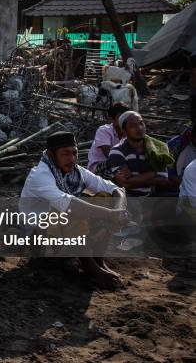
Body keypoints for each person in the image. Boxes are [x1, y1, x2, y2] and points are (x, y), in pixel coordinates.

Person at [20, 131, 129, 289]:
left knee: (105, 197)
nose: (71, 159)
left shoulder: (78, 172)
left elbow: (115, 189)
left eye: (74, 153)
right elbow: (69, 205)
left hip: (63, 231)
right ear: (51, 154)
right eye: (65, 154)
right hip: (38, 239)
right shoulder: (40, 175)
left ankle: (98, 261)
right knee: (72, 208)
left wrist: (118, 210)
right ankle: (89, 266)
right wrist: (110, 215)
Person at [107, 111, 172, 196]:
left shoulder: (157, 149)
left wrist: (133, 180)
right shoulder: (117, 151)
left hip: (150, 199)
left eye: (141, 123)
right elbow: (124, 184)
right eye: (133, 126)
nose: (139, 128)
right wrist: (152, 174)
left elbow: (163, 179)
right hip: (127, 200)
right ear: (124, 131)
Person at [87, 103, 130, 178]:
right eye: (121, 117)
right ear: (111, 119)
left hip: (118, 165)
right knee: (122, 174)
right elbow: (110, 155)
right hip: (99, 168)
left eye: (127, 117)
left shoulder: (128, 132)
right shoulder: (104, 130)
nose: (124, 120)